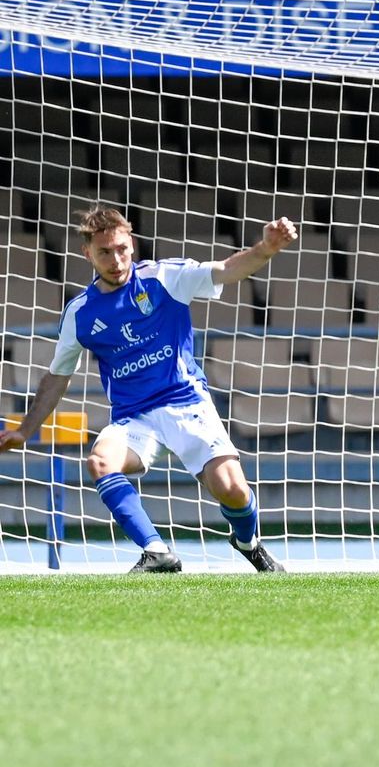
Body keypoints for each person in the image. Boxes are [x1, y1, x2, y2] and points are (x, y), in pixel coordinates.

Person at [0, 205, 295, 572]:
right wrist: (26, 429)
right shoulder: (81, 312)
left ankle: (247, 542)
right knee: (100, 461)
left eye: (122, 248)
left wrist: (265, 248)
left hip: (186, 402)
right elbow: (58, 375)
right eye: (104, 252)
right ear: (87, 253)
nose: (116, 259)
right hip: (133, 416)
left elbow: (228, 269)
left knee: (233, 490)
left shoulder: (164, 278)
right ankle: (155, 551)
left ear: (132, 245)